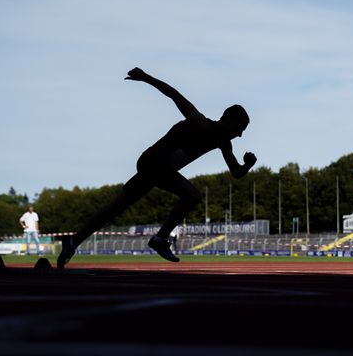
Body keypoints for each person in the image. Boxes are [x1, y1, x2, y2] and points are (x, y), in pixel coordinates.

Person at [57, 67, 257, 268]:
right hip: (153, 162)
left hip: (160, 169)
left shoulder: (223, 143)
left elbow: (236, 172)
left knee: (116, 207)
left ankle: (73, 242)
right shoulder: (200, 122)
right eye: (239, 129)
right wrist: (144, 77)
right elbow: (174, 94)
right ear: (227, 119)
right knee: (192, 196)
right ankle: (160, 239)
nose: (239, 135)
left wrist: (247, 165)